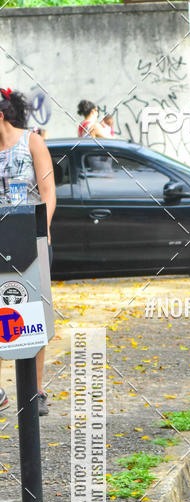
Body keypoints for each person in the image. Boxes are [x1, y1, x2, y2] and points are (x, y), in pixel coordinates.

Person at [0, 88, 56, 415]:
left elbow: (48, 191)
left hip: (30, 243)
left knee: (31, 315)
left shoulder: (31, 141)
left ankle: (34, 392)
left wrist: (41, 229)